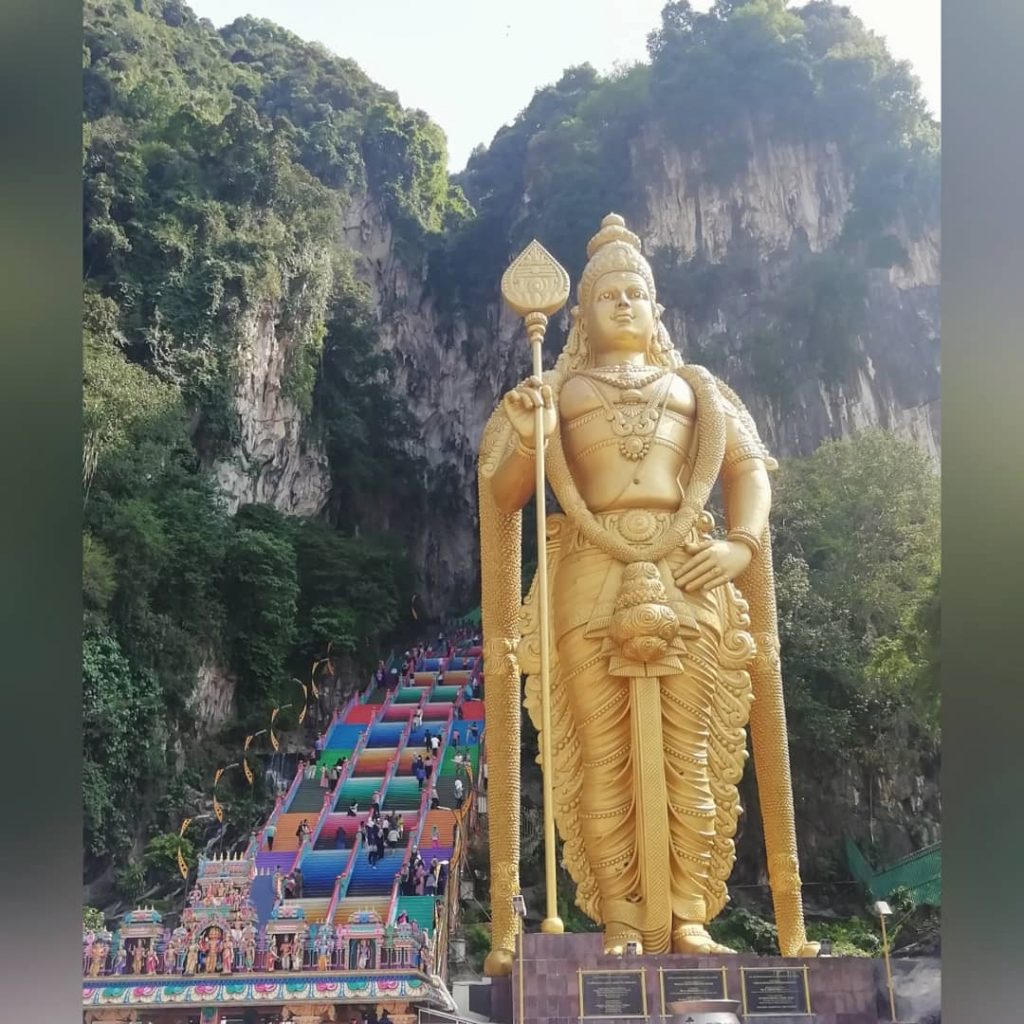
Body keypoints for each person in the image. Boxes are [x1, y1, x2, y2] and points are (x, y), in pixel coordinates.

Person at [479, 213, 818, 960]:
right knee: (600, 756)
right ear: (583, 315)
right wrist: (530, 436)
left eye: (637, 292)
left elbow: (749, 469)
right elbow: (504, 493)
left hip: (688, 562)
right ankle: (624, 921)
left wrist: (742, 543)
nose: (625, 304)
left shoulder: (697, 387)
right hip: (588, 570)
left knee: (692, 751)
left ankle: (690, 916)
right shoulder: (555, 391)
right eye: (609, 296)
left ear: (657, 308)